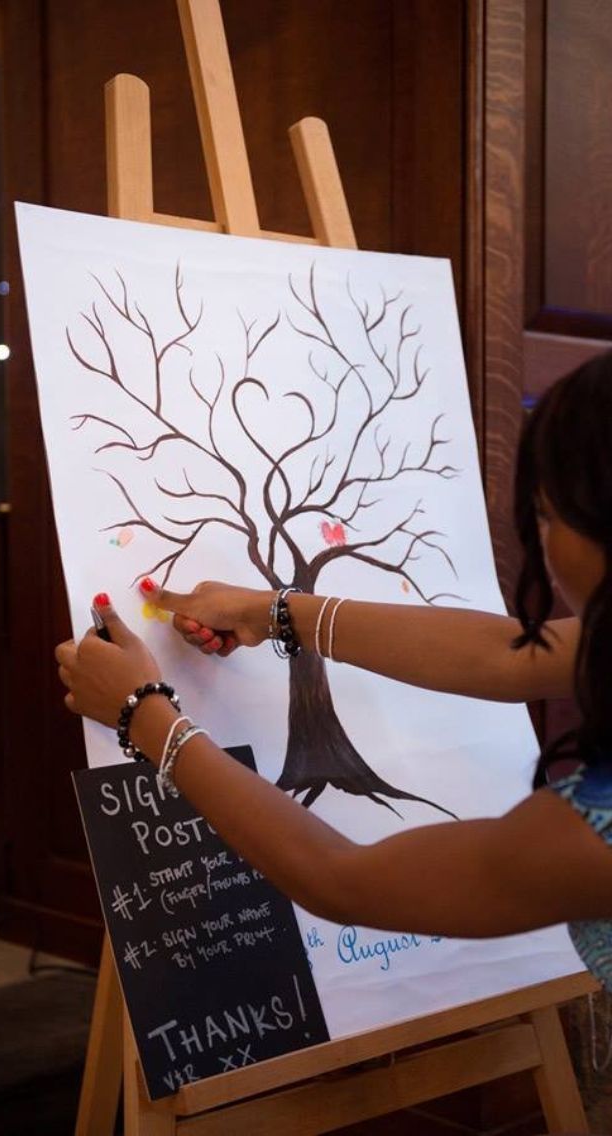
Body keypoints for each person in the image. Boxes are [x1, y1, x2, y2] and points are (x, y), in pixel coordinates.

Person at [55, 351, 612, 992]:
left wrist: (143, 713)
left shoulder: (590, 839)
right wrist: (275, 610)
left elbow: (342, 879)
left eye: (546, 513)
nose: (541, 539)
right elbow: (508, 656)